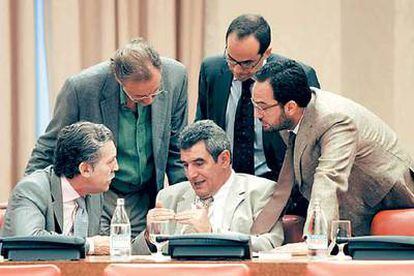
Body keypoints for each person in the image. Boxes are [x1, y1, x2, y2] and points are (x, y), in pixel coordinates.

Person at [25, 38, 188, 238]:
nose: (148, 101)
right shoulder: (81, 88)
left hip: (145, 194)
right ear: (119, 80)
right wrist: (29, 197)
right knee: (101, 255)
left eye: (155, 93)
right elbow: (50, 147)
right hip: (100, 195)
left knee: (144, 258)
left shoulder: (176, 77)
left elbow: (177, 148)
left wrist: (187, 200)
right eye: (139, 97)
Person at [250, 60, 414, 240]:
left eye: (262, 107)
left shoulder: (334, 120)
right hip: (348, 197)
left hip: (381, 196)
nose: (256, 114)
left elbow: (328, 178)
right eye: (254, 104)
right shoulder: (286, 116)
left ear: (290, 107)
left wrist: (314, 242)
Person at [196, 14, 319, 216]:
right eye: (231, 59)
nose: (236, 70)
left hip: (277, 184)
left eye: (246, 64)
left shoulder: (298, 76)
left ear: (266, 53)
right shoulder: (211, 69)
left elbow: (309, 144)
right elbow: (203, 128)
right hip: (226, 185)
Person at [131, 120, 284, 254]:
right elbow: (134, 257)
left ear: (224, 159)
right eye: (185, 165)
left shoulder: (261, 192)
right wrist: (148, 237)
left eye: (199, 163)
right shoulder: (168, 197)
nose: (191, 174)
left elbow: (271, 245)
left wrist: (211, 234)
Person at [1, 122, 118, 255]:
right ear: (85, 169)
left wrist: (146, 238)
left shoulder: (94, 194)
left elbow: (107, 245)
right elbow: (29, 242)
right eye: (111, 161)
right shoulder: (31, 189)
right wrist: (89, 245)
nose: (116, 167)